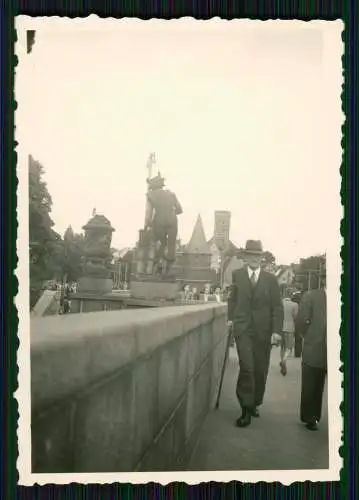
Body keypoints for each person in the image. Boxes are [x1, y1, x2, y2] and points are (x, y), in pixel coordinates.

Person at [227, 240, 283, 427]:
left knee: (260, 370)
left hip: (263, 332)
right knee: (247, 368)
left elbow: (277, 307)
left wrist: (276, 331)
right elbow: (232, 300)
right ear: (245, 257)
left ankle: (255, 402)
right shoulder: (238, 275)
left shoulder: (270, 279)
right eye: (250, 255)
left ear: (262, 258)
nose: (254, 259)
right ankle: (245, 408)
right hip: (243, 329)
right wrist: (230, 319)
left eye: (257, 255)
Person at [296, 277, 327, 431]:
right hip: (315, 347)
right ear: (324, 280)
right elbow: (301, 320)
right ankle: (311, 417)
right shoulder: (311, 296)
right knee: (312, 384)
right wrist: (307, 336)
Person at [145, 174, 183, 275]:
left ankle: (156, 264)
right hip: (172, 221)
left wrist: (148, 224)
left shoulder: (151, 195)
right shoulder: (171, 194)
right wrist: (171, 213)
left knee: (158, 242)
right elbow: (180, 209)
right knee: (171, 246)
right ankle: (167, 270)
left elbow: (148, 214)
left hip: (159, 221)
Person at [279, 294, 299, 375]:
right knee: (289, 348)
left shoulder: (280, 303)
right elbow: (296, 316)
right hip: (290, 328)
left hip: (281, 327)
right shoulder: (295, 305)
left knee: (282, 347)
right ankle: (284, 360)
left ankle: (283, 362)